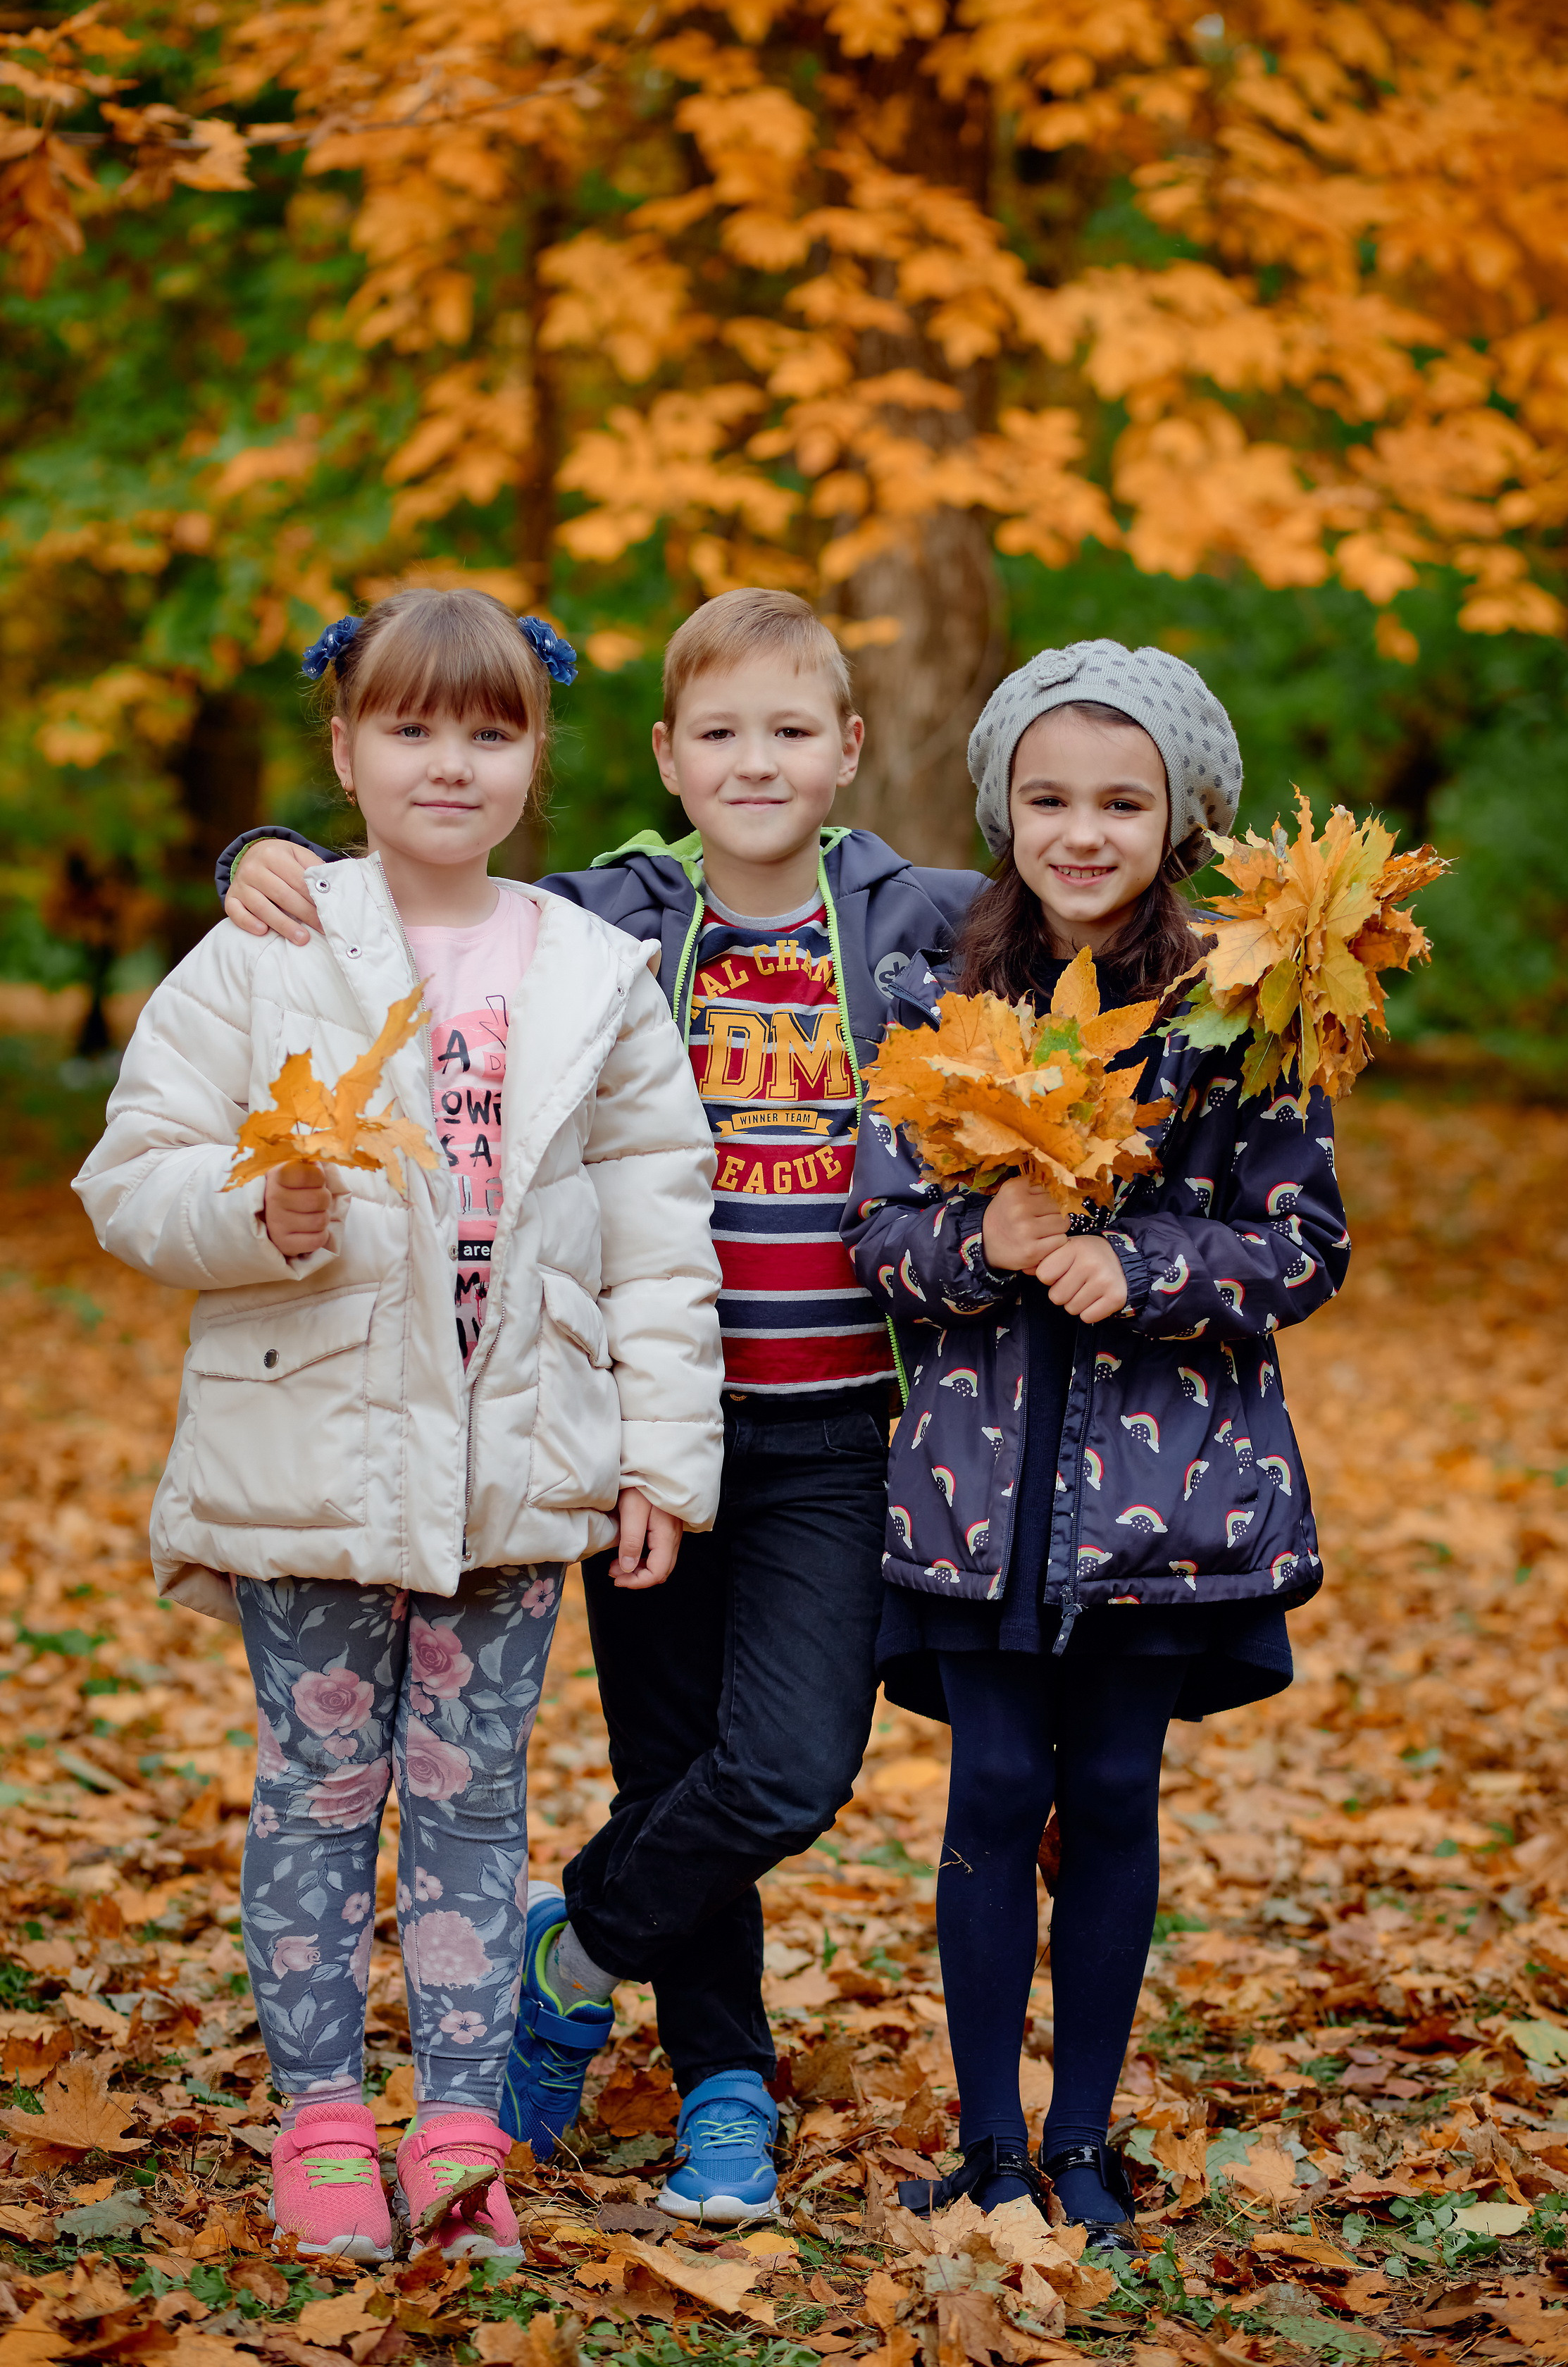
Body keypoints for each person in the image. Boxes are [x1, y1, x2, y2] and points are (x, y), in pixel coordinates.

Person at [213, 588, 984, 2225]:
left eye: (793, 731)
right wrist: (257, 856)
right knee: (667, 1762)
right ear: (663, 753)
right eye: (720, 732)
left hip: (840, 1423)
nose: (756, 762)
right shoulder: (609, 916)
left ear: (849, 748)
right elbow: (423, 884)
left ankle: (578, 1943)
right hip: (636, 1422)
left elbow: (1091, 914)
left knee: (782, 1770)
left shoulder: (921, 921)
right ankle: (722, 2093)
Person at [74, 588, 724, 2266]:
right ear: (346, 750)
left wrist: (663, 1450)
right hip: (318, 1444)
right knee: (315, 1788)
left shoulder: (596, 970)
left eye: (491, 732)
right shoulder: (270, 943)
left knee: (469, 1796)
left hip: (512, 1463)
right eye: (413, 728)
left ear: (535, 759)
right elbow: (133, 1173)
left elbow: (661, 1229)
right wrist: (254, 1215)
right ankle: (319, 2119)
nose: (452, 764)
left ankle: (457, 2125)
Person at [842, 640, 1349, 2247]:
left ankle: (1079, 2141)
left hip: (1168, 1489)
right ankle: (985, 2139)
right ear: (1003, 808)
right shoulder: (942, 987)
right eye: (1048, 798)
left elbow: (1303, 1244)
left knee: (1113, 1786)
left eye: (1120, 800)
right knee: (991, 1784)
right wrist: (979, 1242)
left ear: (1179, 814)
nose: (1082, 830)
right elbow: (878, 1233)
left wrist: (1144, 1265)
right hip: (976, 1479)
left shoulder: (1243, 1006)